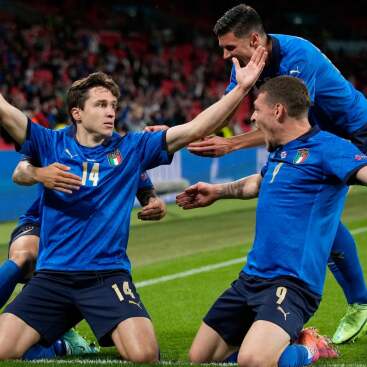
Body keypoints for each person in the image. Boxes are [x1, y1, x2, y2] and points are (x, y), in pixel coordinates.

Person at [0, 46, 266, 361]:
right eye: (100, 105)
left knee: (143, 355)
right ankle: (61, 344)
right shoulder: (49, 144)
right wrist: (38, 172)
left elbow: (196, 128)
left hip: (107, 276)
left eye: (113, 105)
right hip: (53, 276)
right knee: (3, 349)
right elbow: (5, 111)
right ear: (77, 113)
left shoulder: (133, 148)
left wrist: (242, 88)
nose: (111, 111)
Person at [185, 3, 367, 344]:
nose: (225, 56)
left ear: (255, 40)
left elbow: (293, 125)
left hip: (351, 132)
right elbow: (224, 113)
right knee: (316, 217)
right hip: (315, 136)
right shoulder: (246, 61)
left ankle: (359, 302)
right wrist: (176, 133)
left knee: (317, 215)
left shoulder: (298, 58)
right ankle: (360, 302)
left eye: (229, 48)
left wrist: (232, 145)